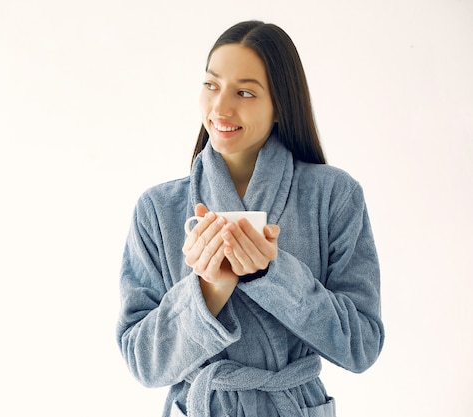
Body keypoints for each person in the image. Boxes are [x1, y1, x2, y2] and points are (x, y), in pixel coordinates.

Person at [116, 20, 384, 417]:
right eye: (211, 85)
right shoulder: (158, 208)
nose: (220, 107)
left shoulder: (333, 196)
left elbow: (361, 345)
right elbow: (143, 362)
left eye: (244, 92)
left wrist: (272, 276)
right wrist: (207, 292)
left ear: (281, 105)